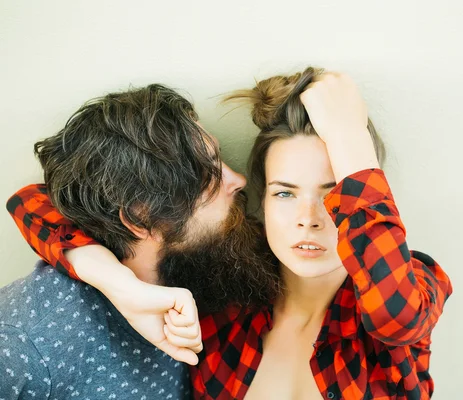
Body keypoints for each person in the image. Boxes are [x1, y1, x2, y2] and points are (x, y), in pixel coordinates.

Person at [7, 68, 453, 399]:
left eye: (334, 194)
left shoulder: (412, 280)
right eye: (284, 193)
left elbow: (395, 315)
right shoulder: (230, 284)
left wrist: (350, 139)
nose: (310, 219)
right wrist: (116, 282)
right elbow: (31, 200)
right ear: (260, 200)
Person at [0, 83, 280, 399]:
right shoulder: (27, 341)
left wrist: (121, 285)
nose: (239, 180)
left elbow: (29, 201)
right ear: (139, 218)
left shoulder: (216, 258)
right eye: (209, 176)